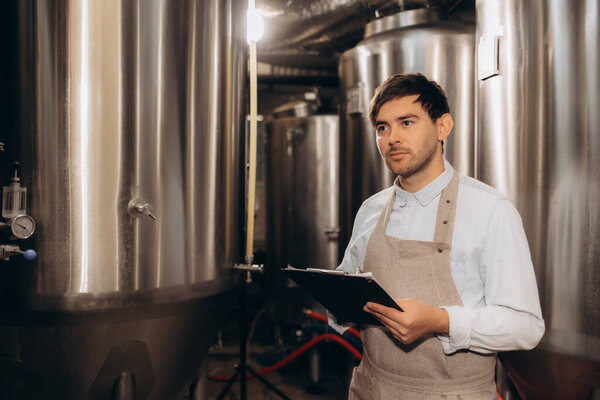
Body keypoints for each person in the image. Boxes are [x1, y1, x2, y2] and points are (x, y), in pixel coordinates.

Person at [332, 73, 545, 399]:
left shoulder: (490, 210)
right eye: (382, 127)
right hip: (371, 388)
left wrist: (441, 321)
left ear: (443, 127)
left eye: (407, 122)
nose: (392, 139)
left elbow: (526, 327)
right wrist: (336, 301)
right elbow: (346, 287)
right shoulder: (370, 210)